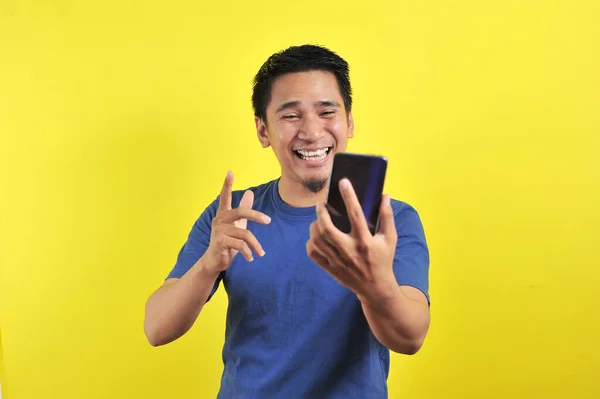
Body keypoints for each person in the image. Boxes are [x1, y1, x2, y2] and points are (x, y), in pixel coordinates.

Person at [143, 44, 431, 398]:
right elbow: (156, 328)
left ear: (349, 121)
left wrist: (374, 284)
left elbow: (411, 337)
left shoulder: (391, 220)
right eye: (291, 115)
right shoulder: (230, 216)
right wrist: (207, 265)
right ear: (263, 130)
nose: (311, 132)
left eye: (327, 111)